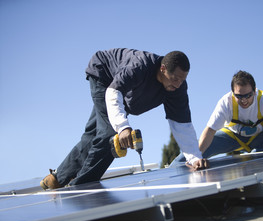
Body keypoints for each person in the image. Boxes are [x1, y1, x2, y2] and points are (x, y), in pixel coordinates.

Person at [40, 48, 204, 189]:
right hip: (105, 77)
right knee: (111, 136)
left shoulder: (177, 88)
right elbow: (113, 92)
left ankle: (57, 178)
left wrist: (195, 158)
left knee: (94, 134)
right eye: (175, 78)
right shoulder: (140, 66)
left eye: (183, 80)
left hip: (122, 95)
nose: (178, 84)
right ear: (162, 69)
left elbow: (182, 124)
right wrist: (123, 127)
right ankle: (78, 188)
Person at [171, 70, 263, 168]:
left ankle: (254, 158)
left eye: (248, 95)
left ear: (254, 90)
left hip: (258, 138)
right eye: (239, 96)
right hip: (231, 137)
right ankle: (171, 169)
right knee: (189, 155)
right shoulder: (226, 102)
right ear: (232, 93)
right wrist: (196, 157)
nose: (244, 100)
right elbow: (209, 131)